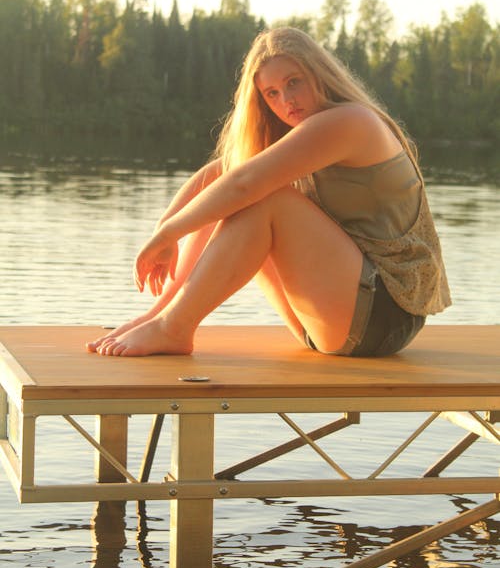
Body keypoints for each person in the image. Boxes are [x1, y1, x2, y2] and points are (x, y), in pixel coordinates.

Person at [87, 27, 450, 358]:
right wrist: (162, 233)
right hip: (336, 318)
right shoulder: (301, 134)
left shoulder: (350, 121)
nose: (286, 100)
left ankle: (174, 327)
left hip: (384, 317)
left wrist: (169, 235)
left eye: (294, 82)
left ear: (319, 74)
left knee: (264, 198)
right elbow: (218, 177)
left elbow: (245, 185)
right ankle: (163, 318)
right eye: (272, 93)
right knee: (235, 189)